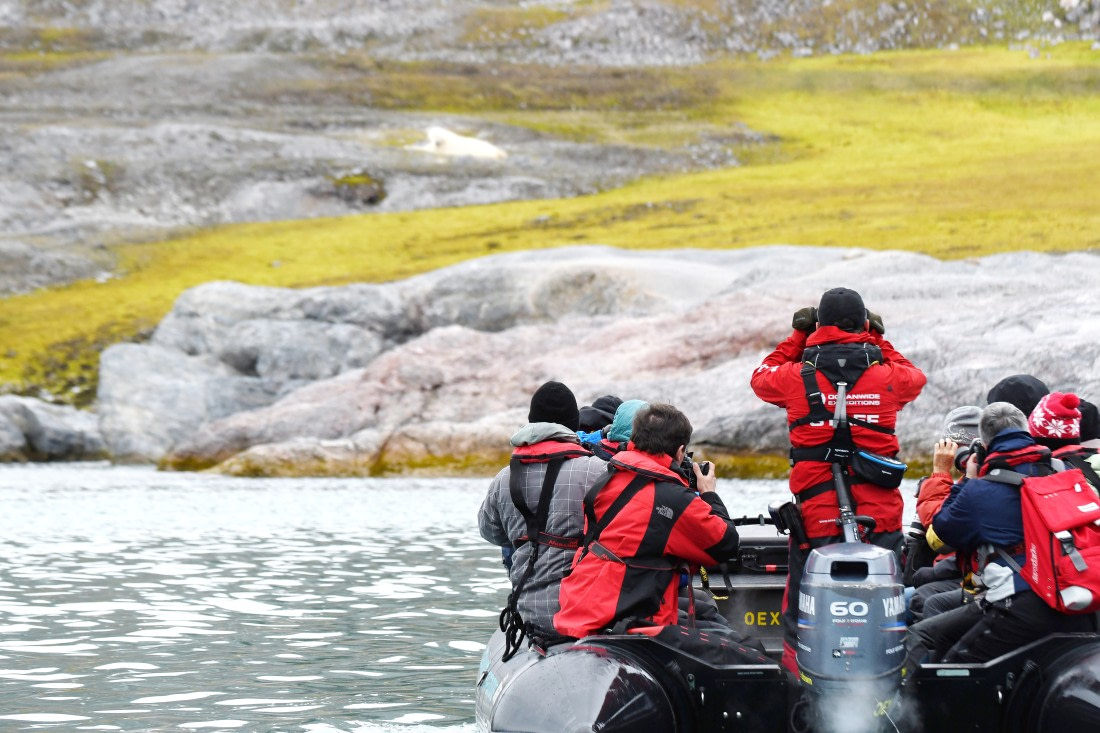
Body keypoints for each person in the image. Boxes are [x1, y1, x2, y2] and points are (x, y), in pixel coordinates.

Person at [749, 286, 927, 674]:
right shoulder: (888, 377)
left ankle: (798, 690)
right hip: (879, 514)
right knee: (887, 594)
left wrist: (798, 338)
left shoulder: (795, 377)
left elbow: (760, 378)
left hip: (817, 515)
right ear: (864, 323)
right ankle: (888, 683)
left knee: (800, 601)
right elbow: (917, 377)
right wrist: (879, 339)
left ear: (819, 325)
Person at [903, 402, 1097, 670]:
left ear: (983, 445)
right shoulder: (1066, 474)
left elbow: (940, 537)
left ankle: (907, 709)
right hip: (1080, 600)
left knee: (939, 656)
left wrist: (968, 480)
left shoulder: (982, 491)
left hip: (1023, 605)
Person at [553, 403, 743, 639]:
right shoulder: (670, 496)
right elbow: (725, 544)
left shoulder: (609, 477)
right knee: (744, 646)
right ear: (680, 451)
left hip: (583, 611)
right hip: (628, 622)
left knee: (703, 612)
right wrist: (709, 494)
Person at [478, 381, 607, 653]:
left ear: (531, 422)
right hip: (585, 616)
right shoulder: (598, 471)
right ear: (573, 425)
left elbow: (490, 532)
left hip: (528, 615)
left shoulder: (505, 477)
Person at [904, 406, 980, 622]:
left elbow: (940, 526)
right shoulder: (972, 479)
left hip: (967, 576)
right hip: (962, 571)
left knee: (897, 603)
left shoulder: (979, 481)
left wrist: (939, 473)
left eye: (952, 445)